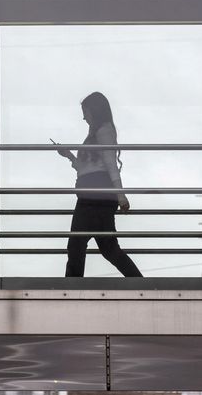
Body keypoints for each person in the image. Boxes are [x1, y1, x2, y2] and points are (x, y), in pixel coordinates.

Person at [54, 92, 142, 277]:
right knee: (107, 248)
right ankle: (139, 282)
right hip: (94, 195)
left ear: (94, 111)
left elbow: (110, 164)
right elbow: (87, 168)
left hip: (95, 196)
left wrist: (121, 195)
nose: (84, 117)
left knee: (78, 245)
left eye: (86, 112)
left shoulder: (104, 131)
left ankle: (72, 288)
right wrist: (68, 155)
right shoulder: (96, 133)